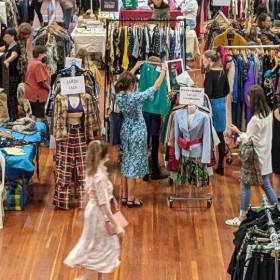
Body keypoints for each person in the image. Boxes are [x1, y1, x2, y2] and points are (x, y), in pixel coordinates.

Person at [64, 141, 123, 280]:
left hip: (92, 211)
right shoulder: (100, 176)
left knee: (95, 245)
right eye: (106, 152)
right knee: (99, 248)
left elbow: (87, 194)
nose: (109, 154)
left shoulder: (93, 170)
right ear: (102, 155)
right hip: (99, 215)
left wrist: (82, 211)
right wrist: (116, 224)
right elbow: (103, 204)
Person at [115, 62, 167, 208]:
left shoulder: (119, 96)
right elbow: (155, 87)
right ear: (130, 84)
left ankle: (125, 196)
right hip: (137, 131)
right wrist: (163, 71)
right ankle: (131, 199)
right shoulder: (135, 97)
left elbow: (123, 80)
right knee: (132, 165)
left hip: (125, 130)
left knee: (126, 162)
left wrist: (136, 67)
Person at [225, 85, 278, 227]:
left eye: (249, 97)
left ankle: (242, 216)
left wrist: (237, 131)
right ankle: (278, 210)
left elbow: (248, 139)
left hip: (254, 158)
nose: (247, 99)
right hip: (265, 154)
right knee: (266, 184)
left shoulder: (255, 120)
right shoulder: (268, 113)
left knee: (245, 185)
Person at [203, 50, 229, 175]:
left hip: (211, 105)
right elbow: (227, 89)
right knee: (220, 136)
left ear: (209, 60)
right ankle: (221, 166)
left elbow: (208, 93)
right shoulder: (222, 72)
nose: (203, 62)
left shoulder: (209, 74)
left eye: (204, 60)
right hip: (221, 105)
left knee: (208, 135)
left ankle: (208, 164)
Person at [24, 46, 51, 120]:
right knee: (40, 116)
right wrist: (50, 90)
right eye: (45, 54)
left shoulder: (32, 61)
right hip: (37, 94)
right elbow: (41, 81)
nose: (46, 55)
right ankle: (39, 130)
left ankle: (33, 129)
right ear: (40, 55)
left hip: (31, 92)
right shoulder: (38, 64)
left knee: (34, 114)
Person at [0, 28, 21, 121]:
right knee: (8, 97)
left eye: (7, 37)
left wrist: (6, 61)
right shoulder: (8, 46)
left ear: (13, 37)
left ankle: (14, 117)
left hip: (13, 77)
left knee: (11, 97)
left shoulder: (16, 48)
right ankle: (11, 116)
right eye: (4, 37)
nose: (5, 39)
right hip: (7, 76)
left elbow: (13, 56)